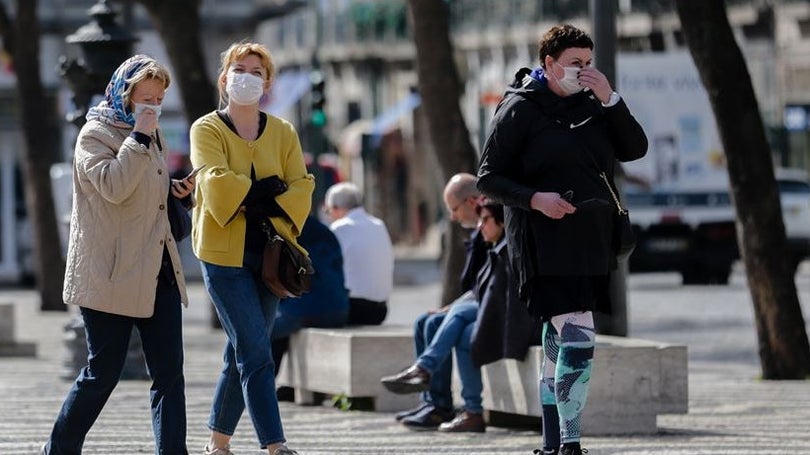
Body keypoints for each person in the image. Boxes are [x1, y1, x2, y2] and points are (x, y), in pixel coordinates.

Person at [477, 24, 648, 455]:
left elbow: (635, 149)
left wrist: (611, 99)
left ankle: (554, 444)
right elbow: (489, 178)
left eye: (588, 63)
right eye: (575, 64)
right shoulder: (519, 108)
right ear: (549, 64)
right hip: (540, 240)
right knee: (578, 331)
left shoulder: (596, 103)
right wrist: (535, 199)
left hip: (590, 238)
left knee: (559, 339)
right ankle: (571, 444)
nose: (583, 71)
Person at [42, 54, 194, 454]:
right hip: (109, 273)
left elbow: (143, 196)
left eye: (159, 98)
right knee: (102, 373)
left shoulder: (149, 132)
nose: (153, 105)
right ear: (124, 93)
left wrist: (176, 193)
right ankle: (57, 449)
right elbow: (113, 186)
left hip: (156, 268)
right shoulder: (94, 135)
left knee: (168, 374)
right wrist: (140, 137)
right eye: (145, 96)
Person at [189, 41, 314, 455]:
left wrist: (258, 199)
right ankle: (275, 445)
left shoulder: (284, 131)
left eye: (256, 71)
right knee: (257, 350)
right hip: (223, 256)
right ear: (224, 77)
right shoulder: (206, 128)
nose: (246, 76)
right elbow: (213, 180)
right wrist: (262, 194)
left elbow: (303, 185)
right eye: (239, 69)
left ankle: (217, 443)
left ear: (268, 82)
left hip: (271, 257)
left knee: (242, 348)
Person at [379, 173, 488, 431]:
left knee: (454, 325)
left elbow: (496, 285)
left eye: (454, 209)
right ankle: (434, 403)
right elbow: (480, 285)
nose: (452, 217)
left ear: (472, 202)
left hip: (501, 308)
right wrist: (452, 306)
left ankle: (425, 373)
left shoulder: (493, 227)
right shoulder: (480, 232)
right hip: (483, 302)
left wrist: (457, 307)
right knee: (425, 322)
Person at [271, 214, 350, 373]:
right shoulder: (323, 231)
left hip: (307, 309)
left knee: (261, 334)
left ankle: (261, 390)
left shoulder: (288, 231)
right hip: (339, 308)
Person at [324, 182, 394, 325]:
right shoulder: (379, 225)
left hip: (353, 308)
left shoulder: (339, 228)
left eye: (328, 211)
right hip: (381, 310)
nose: (328, 216)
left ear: (336, 209)